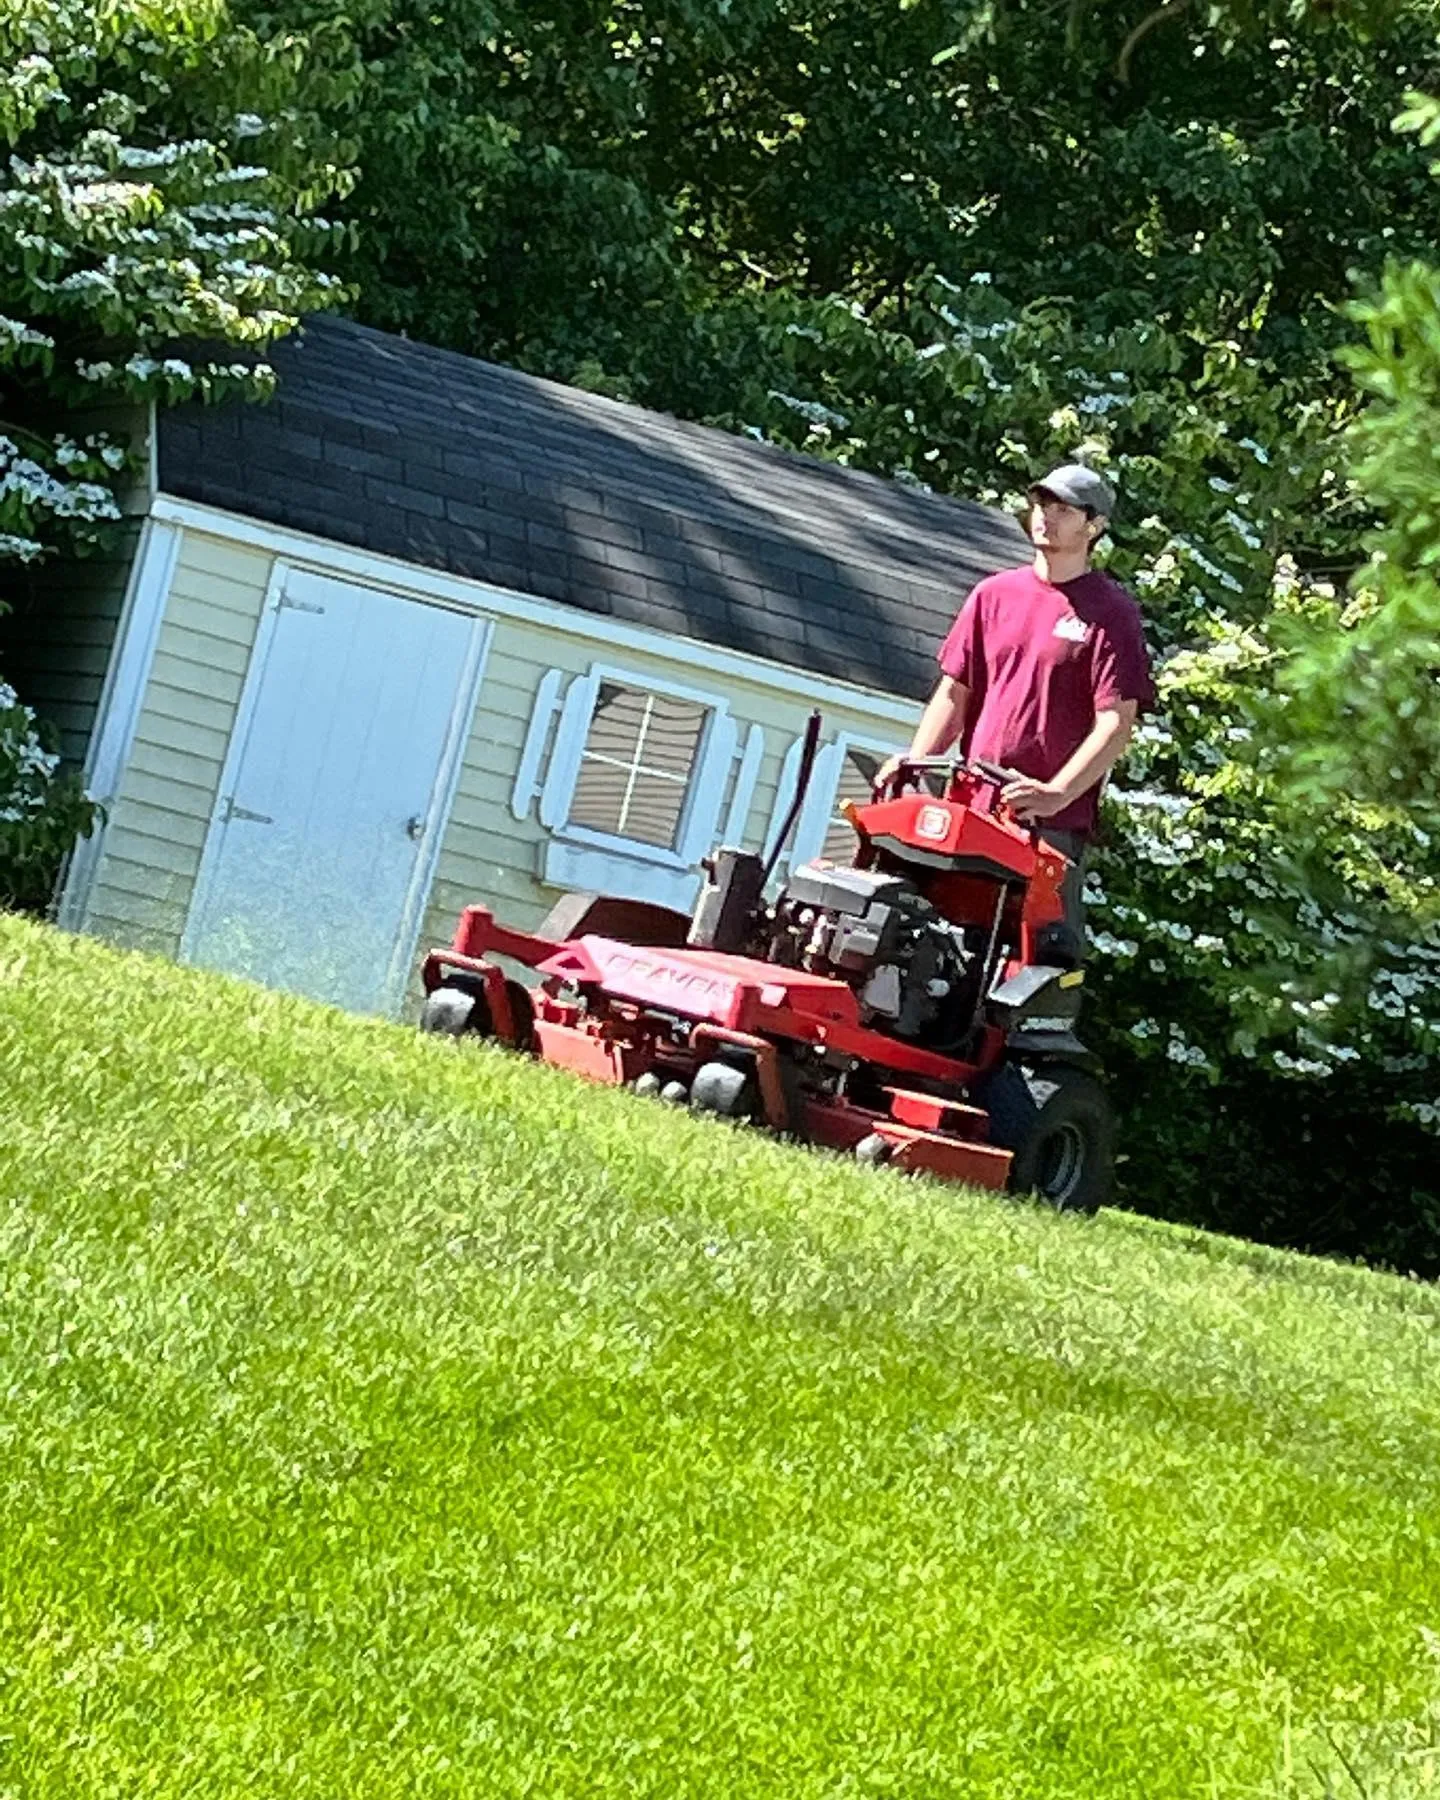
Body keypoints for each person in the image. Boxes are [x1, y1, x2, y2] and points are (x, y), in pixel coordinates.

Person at [879, 463, 1154, 950]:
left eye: (1062, 509)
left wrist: (1055, 793)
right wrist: (916, 762)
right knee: (924, 951)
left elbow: (1115, 725)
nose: (1045, 516)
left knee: (1037, 971)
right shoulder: (994, 594)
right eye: (1041, 504)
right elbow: (953, 693)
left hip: (1046, 830)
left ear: (1094, 527)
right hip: (969, 812)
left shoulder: (1112, 613)